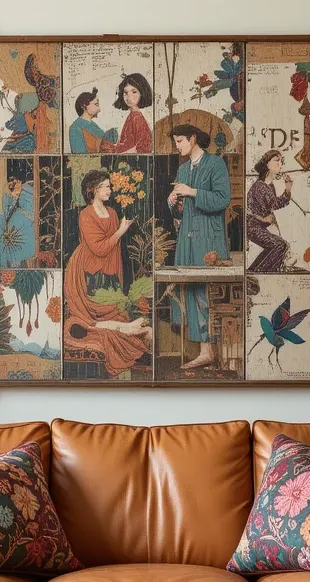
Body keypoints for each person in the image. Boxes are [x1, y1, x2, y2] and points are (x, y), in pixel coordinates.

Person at [63, 169, 151, 376]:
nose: (109, 190)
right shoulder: (86, 214)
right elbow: (99, 248)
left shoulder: (112, 213)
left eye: (110, 186)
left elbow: (113, 250)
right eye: (105, 186)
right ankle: (120, 329)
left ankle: (125, 328)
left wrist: (116, 273)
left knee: (115, 307)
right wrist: (121, 231)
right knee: (91, 314)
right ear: (93, 189)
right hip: (88, 270)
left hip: (108, 267)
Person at [167, 123, 231, 370]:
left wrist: (192, 192)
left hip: (208, 237)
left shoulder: (215, 164)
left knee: (206, 291)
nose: (178, 146)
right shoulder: (182, 169)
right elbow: (180, 213)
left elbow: (222, 199)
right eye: (176, 141)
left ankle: (209, 351)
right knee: (190, 290)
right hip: (187, 238)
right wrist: (174, 202)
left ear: (193, 139)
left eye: (181, 141)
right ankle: (203, 351)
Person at [246, 149, 292, 272]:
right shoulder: (260, 186)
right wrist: (287, 190)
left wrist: (287, 190)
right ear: (267, 164)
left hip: (258, 227)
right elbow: (274, 204)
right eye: (277, 160)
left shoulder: (269, 185)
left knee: (275, 246)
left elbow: (273, 204)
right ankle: (258, 273)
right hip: (252, 227)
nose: (280, 164)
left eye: (281, 161)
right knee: (280, 245)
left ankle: (253, 271)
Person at [110, 72, 153, 154]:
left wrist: (119, 155)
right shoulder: (132, 115)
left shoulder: (137, 118)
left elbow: (142, 148)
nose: (129, 97)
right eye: (125, 93)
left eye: (134, 92)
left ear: (142, 93)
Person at [67, 88, 117, 153]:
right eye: (96, 104)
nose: (99, 109)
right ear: (84, 105)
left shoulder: (93, 125)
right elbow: (80, 157)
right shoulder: (75, 128)